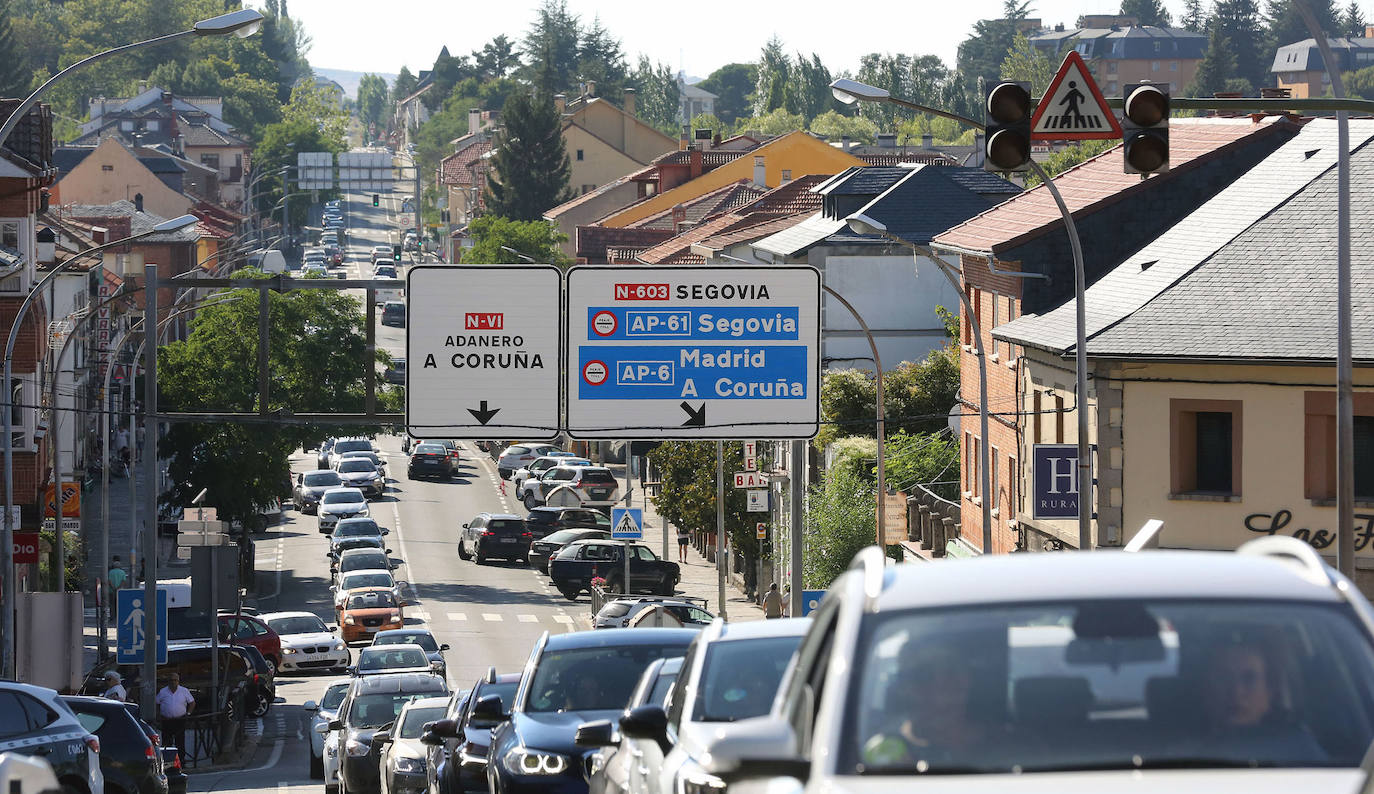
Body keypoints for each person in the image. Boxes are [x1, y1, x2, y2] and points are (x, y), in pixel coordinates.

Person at [1199, 638, 1328, 763]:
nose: (1236, 692)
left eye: (1249, 679)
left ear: (1270, 690)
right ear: (1206, 688)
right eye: (1224, 678)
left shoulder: (1302, 752)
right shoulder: (1184, 750)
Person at [157, 672, 196, 755]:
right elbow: (156, 703)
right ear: (168, 681)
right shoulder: (163, 691)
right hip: (166, 720)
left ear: (178, 681)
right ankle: (167, 761)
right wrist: (158, 715)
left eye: (175, 680)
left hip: (180, 720)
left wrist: (188, 713)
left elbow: (192, 703)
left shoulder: (184, 691)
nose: (173, 682)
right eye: (171, 680)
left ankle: (181, 761)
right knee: (166, 742)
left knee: (180, 742)